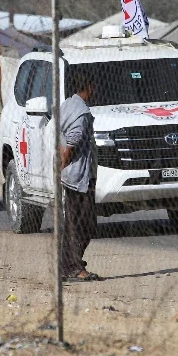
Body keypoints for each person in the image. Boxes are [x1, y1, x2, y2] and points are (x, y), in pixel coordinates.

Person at [59, 68, 101, 282]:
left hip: (72, 176)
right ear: (90, 88)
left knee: (73, 223)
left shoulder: (67, 104)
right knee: (84, 224)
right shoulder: (82, 112)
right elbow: (72, 142)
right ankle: (74, 267)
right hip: (80, 179)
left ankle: (67, 265)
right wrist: (63, 165)